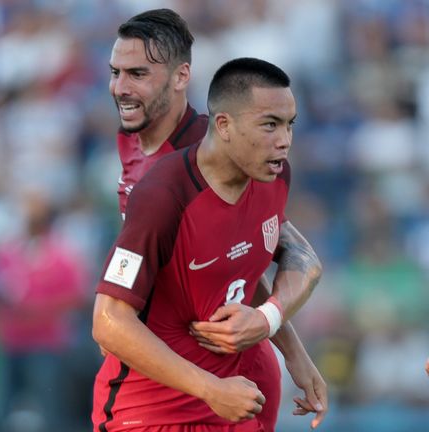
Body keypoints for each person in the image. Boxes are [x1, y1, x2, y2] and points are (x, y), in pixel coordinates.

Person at [103, 9, 327, 431]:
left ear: (180, 77)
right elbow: (219, 263)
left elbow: (278, 254)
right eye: (115, 72)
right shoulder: (133, 140)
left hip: (225, 380)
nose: (120, 88)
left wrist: (286, 345)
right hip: (170, 380)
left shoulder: (224, 156)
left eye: (137, 74)